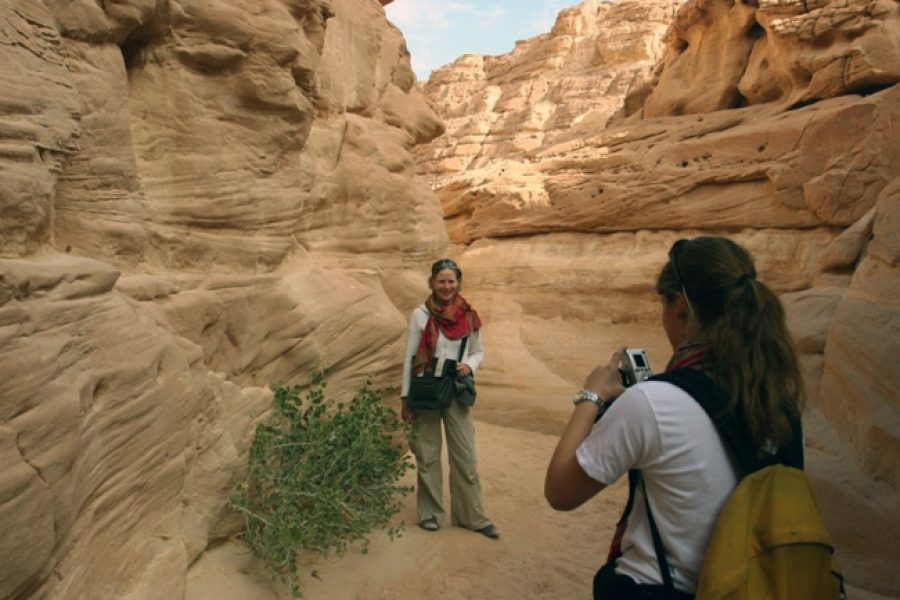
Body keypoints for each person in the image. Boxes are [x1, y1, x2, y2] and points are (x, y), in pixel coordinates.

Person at [544, 236, 804, 598]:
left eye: (663, 306)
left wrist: (592, 395)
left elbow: (560, 491)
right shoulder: (780, 402)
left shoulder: (652, 403)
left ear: (680, 304)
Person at [400, 258, 499, 539]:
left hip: (456, 388)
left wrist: (470, 365)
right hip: (426, 388)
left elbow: (478, 351)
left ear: (458, 283)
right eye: (441, 281)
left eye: (451, 281)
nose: (446, 286)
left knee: (465, 457)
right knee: (428, 455)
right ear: (431, 282)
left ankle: (472, 517)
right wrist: (405, 398)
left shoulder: (468, 316)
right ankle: (430, 514)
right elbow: (409, 359)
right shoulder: (420, 315)